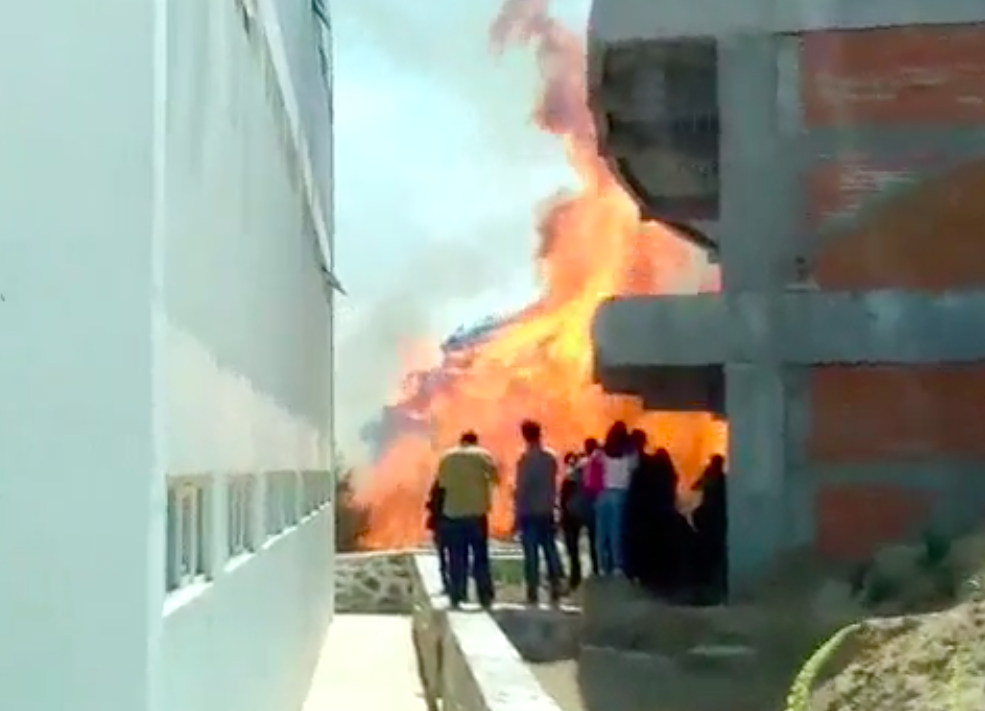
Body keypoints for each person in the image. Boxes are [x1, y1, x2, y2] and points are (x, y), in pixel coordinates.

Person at [436, 430, 499, 609]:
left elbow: (442, 484)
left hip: (453, 514)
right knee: (480, 557)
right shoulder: (483, 455)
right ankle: (484, 596)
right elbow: (496, 479)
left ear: (461, 441)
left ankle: (457, 595)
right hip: (476, 515)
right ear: (475, 441)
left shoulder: (447, 457)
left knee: (456, 557)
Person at [514, 419, 564, 605]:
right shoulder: (550, 458)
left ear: (524, 436)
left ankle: (532, 592)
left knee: (531, 554)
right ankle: (556, 587)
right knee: (550, 550)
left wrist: (516, 514)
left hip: (529, 512)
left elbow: (522, 489)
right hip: (547, 510)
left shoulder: (525, 460)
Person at [587, 421, 633, 577]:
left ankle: (601, 566)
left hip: (602, 494)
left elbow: (591, 467)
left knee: (601, 532)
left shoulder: (601, 452)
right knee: (616, 531)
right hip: (620, 495)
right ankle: (617, 565)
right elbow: (634, 469)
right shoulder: (630, 453)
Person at [559, 445, 598, 590]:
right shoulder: (595, 470)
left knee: (573, 549)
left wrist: (562, 514)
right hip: (590, 511)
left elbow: (564, 498)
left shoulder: (571, 475)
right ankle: (596, 572)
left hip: (572, 512)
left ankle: (575, 578)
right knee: (594, 544)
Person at [692, 454, 728, 603]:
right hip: (714, 518)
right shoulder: (720, 478)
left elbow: (696, 487)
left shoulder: (714, 477)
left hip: (709, 517)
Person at [425, 480, 452, 594]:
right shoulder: (456, 484)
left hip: (440, 525)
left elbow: (432, 504)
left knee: (443, 558)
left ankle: (447, 585)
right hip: (452, 525)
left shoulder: (439, 483)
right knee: (454, 556)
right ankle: (454, 585)